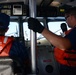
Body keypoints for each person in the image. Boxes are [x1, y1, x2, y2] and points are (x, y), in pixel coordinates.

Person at [28, 7, 76, 75]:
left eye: (66, 18)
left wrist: (40, 29)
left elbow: (64, 45)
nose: (66, 21)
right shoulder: (72, 31)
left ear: (71, 17)